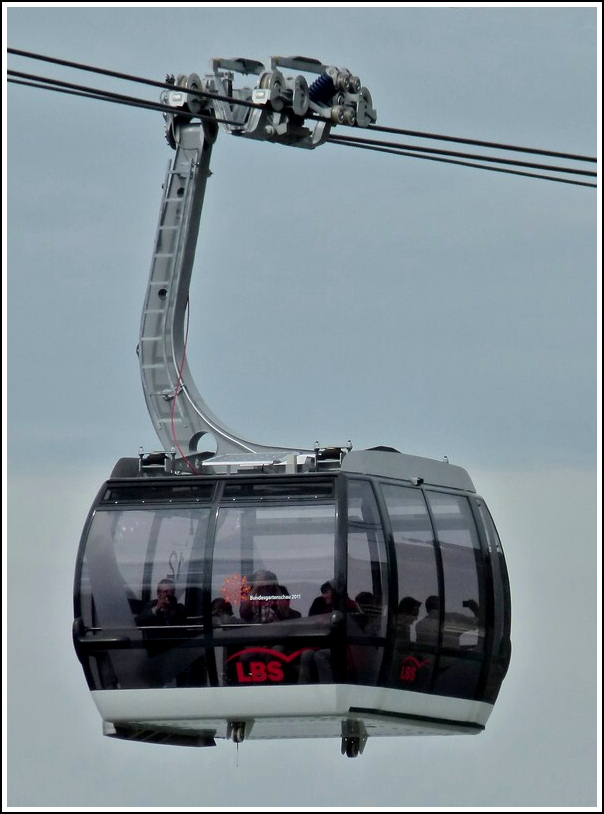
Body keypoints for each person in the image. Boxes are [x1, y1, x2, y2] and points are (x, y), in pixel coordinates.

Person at [415, 595, 480, 648]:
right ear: (440, 605)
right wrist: (475, 609)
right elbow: (477, 623)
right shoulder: (454, 618)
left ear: (427, 609)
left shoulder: (419, 625)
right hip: (451, 660)